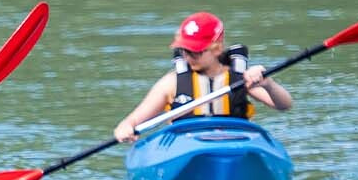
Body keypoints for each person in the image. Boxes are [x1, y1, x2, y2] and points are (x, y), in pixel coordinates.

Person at [113, 11, 292, 143]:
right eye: (184, 51)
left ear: (217, 49)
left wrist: (268, 84)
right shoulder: (172, 82)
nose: (188, 57)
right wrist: (125, 127)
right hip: (187, 146)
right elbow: (132, 120)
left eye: (195, 52)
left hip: (236, 143)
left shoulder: (240, 79)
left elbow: (284, 105)